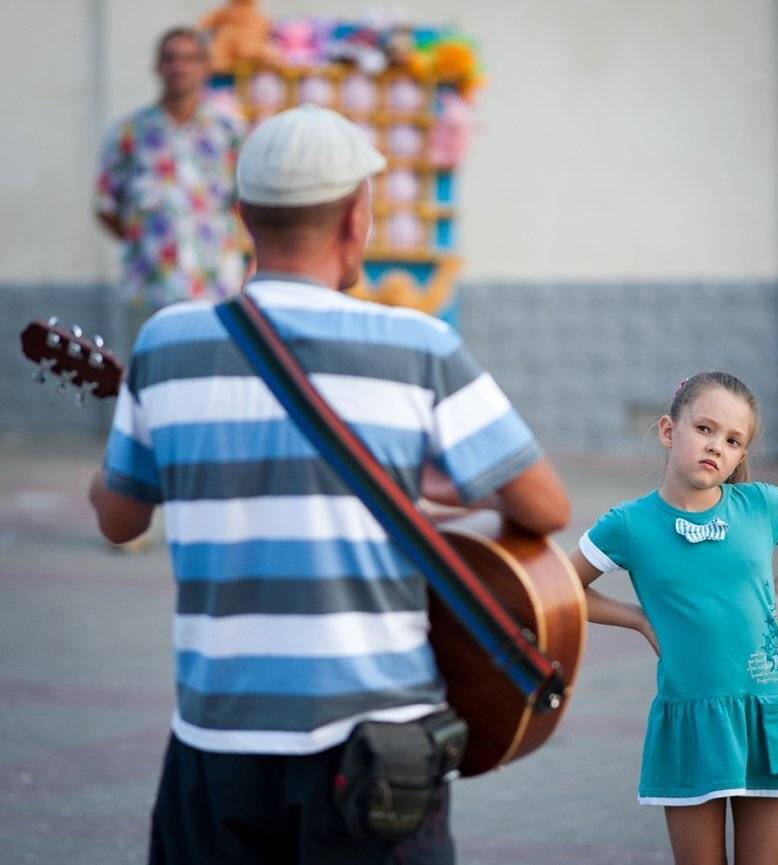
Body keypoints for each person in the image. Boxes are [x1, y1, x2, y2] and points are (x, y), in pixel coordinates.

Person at [88, 104, 571, 865]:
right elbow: (547, 507)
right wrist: (433, 482)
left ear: (245, 217)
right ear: (357, 219)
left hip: (217, 744)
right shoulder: (418, 344)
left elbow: (117, 519)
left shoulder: (165, 343)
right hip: (381, 749)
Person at [570, 371, 778, 865]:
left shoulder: (762, 505)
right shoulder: (630, 523)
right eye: (705, 429)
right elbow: (562, 590)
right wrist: (639, 620)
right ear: (670, 431)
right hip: (691, 718)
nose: (717, 446)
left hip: (769, 711)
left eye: (733, 440)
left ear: (740, 455)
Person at [94, 26, 247, 326]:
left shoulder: (227, 132)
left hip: (214, 288)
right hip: (150, 290)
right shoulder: (130, 133)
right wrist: (147, 239)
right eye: (171, 59)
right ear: (158, 66)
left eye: (190, 59)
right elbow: (106, 206)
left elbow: (245, 203)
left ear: (205, 67)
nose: (180, 67)